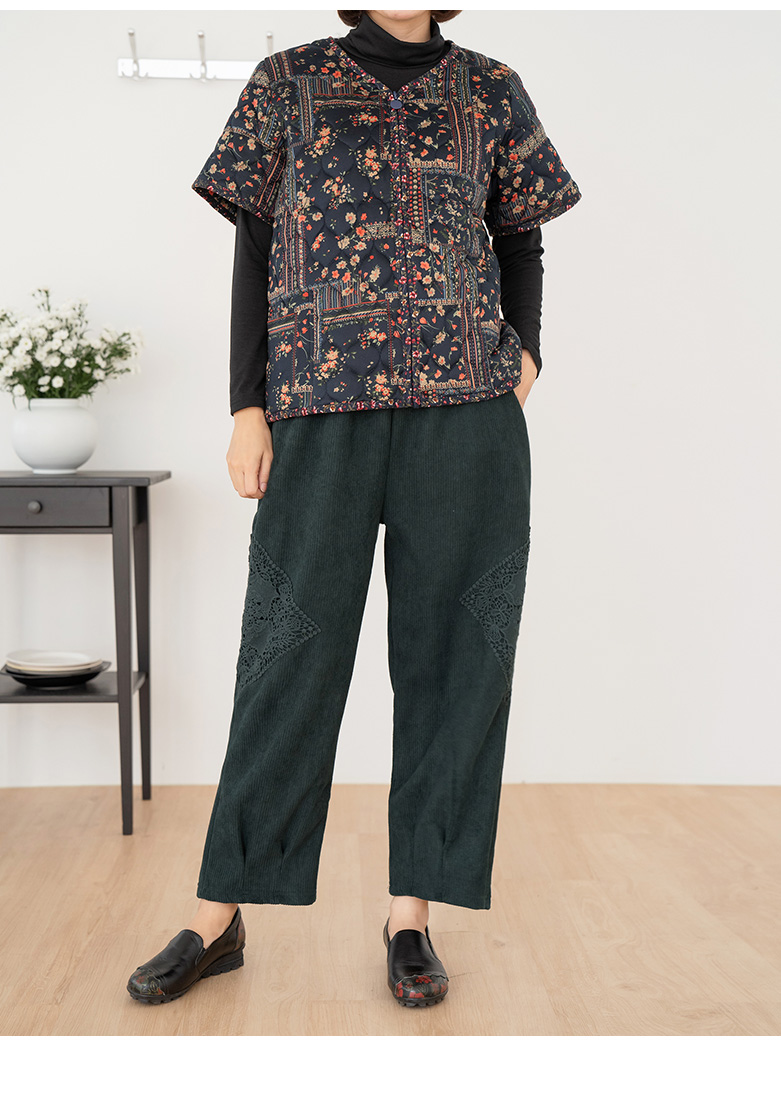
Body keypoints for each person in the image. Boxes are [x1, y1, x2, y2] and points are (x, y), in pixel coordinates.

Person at [127, 8, 581, 1008]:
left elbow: (522, 241)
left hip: (466, 416)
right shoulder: (286, 82)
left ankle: (410, 914)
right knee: (285, 651)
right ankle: (218, 912)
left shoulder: (491, 88)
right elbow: (254, 249)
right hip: (318, 410)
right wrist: (247, 406)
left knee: (455, 663)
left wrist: (526, 359)